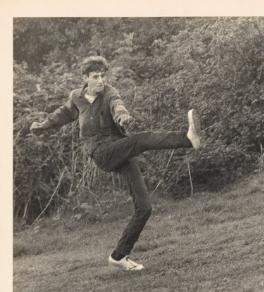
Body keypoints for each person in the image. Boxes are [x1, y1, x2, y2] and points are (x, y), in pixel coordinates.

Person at [30, 55, 203, 271]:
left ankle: (119, 256)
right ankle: (186, 139)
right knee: (140, 140)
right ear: (85, 78)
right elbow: (62, 114)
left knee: (144, 207)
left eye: (103, 76)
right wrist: (42, 126)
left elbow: (117, 104)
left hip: (118, 151)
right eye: (96, 77)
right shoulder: (77, 98)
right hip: (101, 153)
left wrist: (122, 116)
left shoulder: (109, 92)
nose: (101, 81)